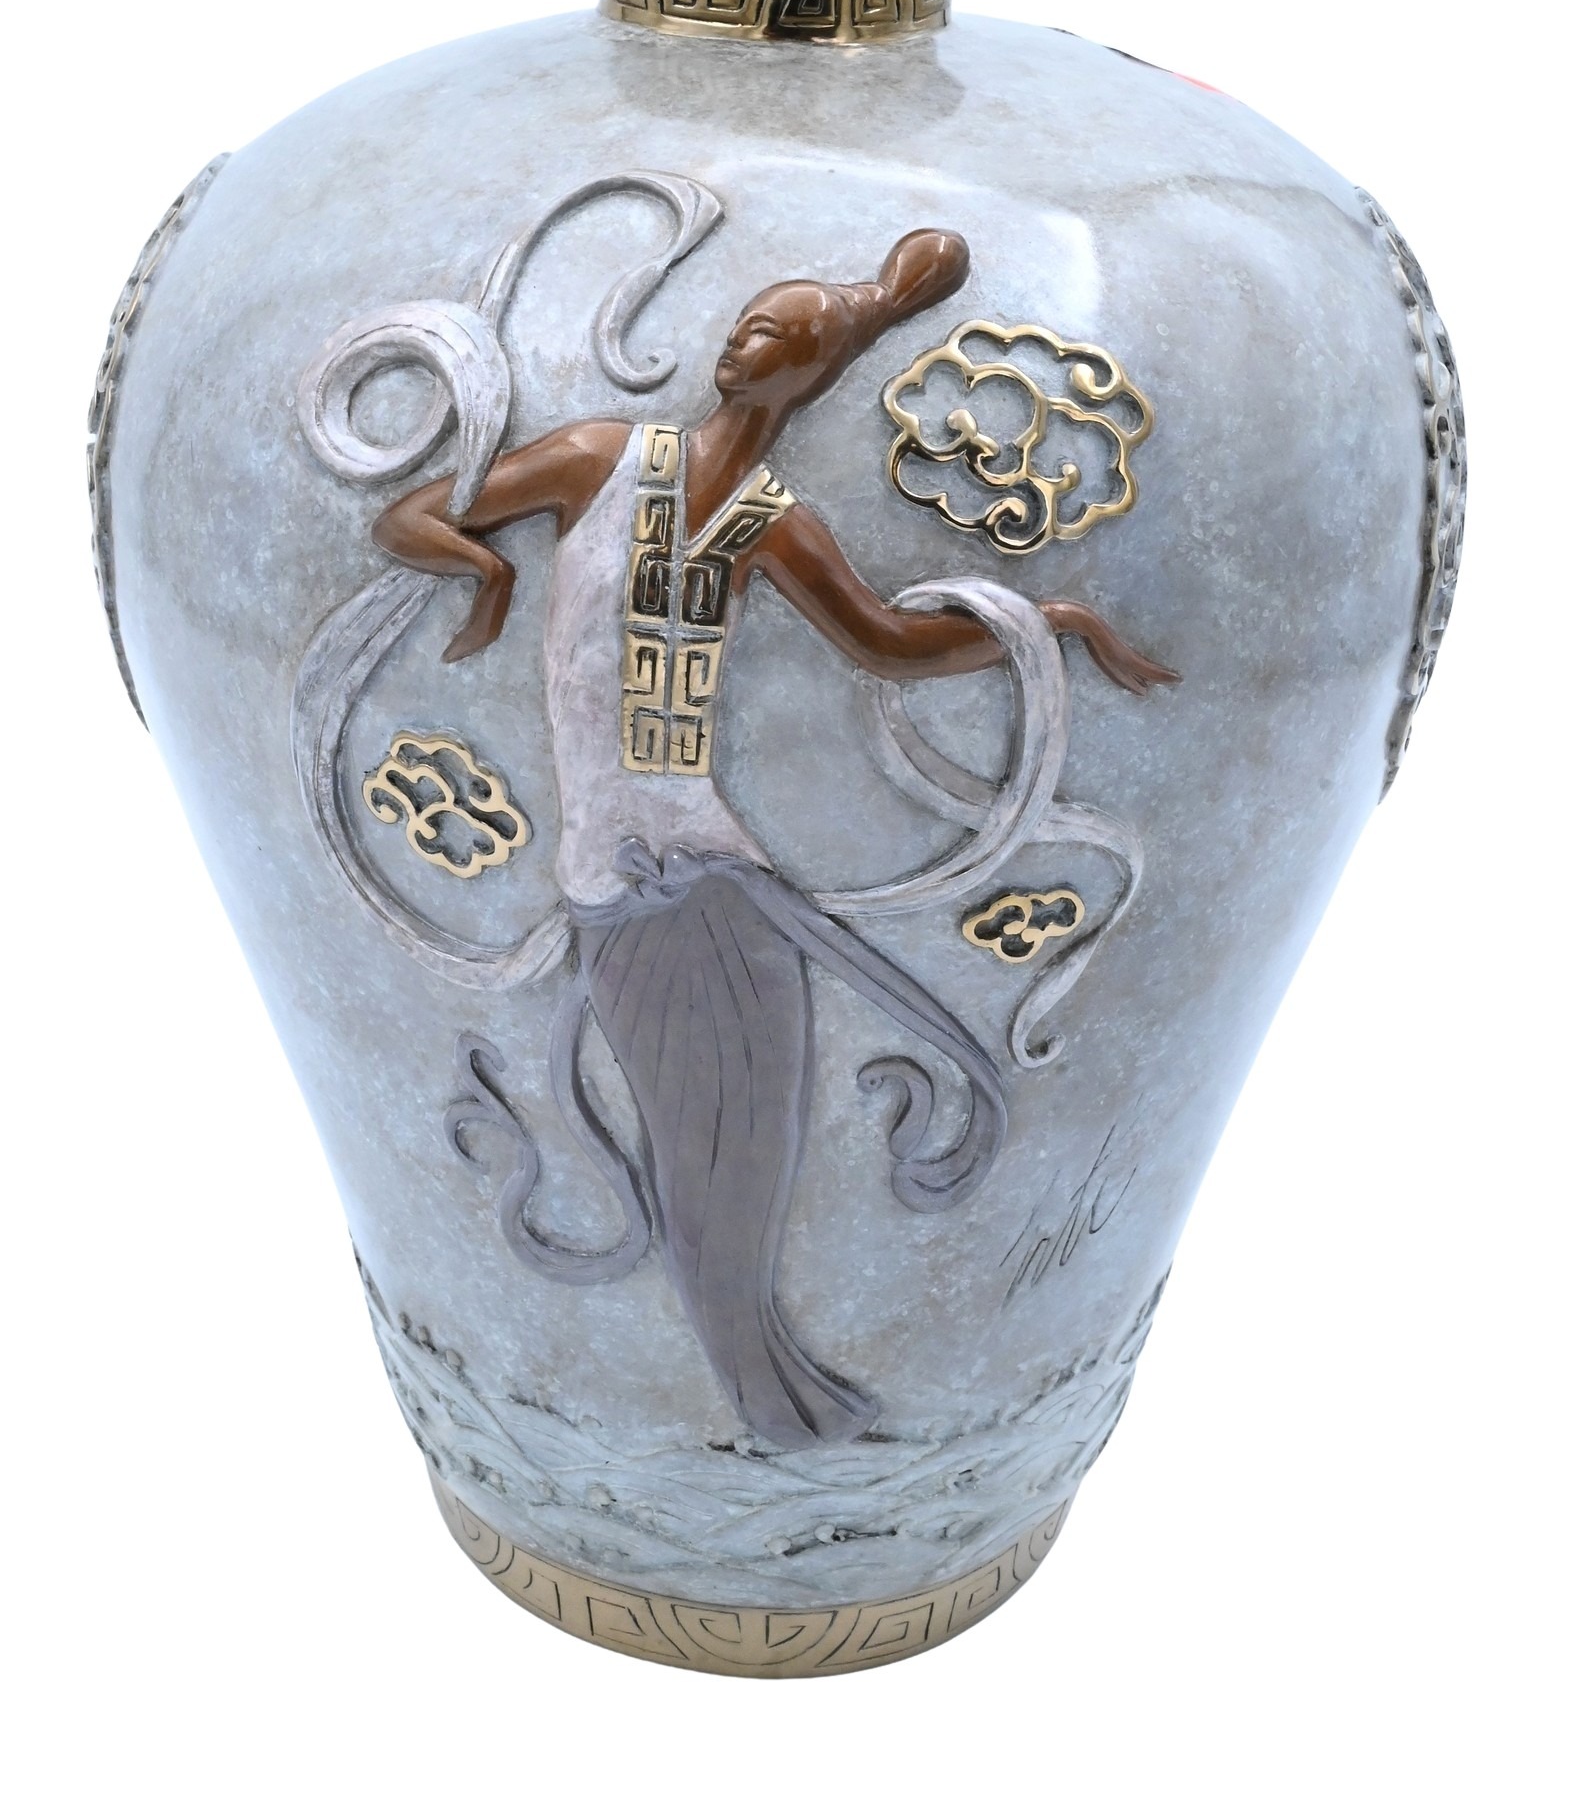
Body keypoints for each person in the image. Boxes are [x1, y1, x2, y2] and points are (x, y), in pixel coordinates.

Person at [372, 229, 1176, 1448]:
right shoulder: (597, 459)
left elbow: (886, 645)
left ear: (811, 375)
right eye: (747, 325)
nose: (742, 347)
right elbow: (413, 517)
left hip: (722, 870)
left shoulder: (769, 523)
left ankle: (783, 1409)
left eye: (776, 339)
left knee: (752, 1147)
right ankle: (750, 1408)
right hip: (618, 879)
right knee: (695, 1146)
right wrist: (487, 576)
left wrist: (1041, 620)